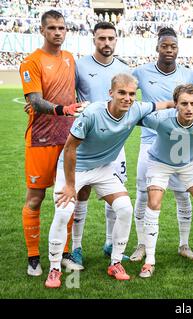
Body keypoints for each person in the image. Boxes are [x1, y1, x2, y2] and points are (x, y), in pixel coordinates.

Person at [44, 73, 193, 288]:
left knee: (125, 209)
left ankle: (116, 262)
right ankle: (54, 268)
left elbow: (166, 103)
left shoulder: (136, 109)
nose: (127, 98)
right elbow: (70, 148)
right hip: (76, 167)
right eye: (122, 93)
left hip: (103, 169)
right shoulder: (92, 113)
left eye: (131, 94)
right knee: (64, 210)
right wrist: (71, 185)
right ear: (110, 93)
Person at [19, 10, 85, 276]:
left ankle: (65, 252)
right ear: (42, 30)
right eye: (53, 28)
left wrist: (72, 112)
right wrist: (63, 110)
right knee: (35, 198)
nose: (58, 32)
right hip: (41, 140)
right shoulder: (31, 62)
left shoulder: (69, 59)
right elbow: (34, 101)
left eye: (62, 28)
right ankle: (33, 257)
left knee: (68, 196)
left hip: (68, 140)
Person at [138, 84, 193, 278]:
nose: (188, 108)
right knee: (153, 202)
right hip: (159, 162)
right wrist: (165, 106)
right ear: (176, 105)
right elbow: (137, 116)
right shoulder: (162, 119)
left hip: (189, 164)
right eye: (183, 103)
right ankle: (149, 261)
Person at [130, 27, 193, 263]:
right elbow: (127, 95)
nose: (169, 50)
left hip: (180, 142)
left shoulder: (188, 74)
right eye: (164, 46)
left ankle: (184, 244)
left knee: (183, 196)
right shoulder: (140, 72)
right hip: (150, 143)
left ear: (178, 49)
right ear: (157, 47)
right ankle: (141, 244)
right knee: (143, 195)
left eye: (173, 46)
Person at [71, 21, 131, 266]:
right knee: (81, 194)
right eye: (102, 38)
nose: (107, 43)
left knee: (115, 195)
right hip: (87, 144)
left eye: (111, 38)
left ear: (116, 40)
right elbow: (67, 95)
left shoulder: (124, 69)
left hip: (115, 144)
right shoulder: (80, 66)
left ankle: (109, 243)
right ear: (94, 39)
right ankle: (76, 247)